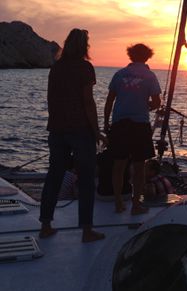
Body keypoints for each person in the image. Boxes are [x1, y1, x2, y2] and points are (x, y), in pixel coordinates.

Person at [39, 29, 106, 242]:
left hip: (57, 130)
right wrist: (97, 131)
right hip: (80, 130)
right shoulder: (85, 68)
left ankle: (46, 225)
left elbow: (51, 98)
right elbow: (88, 101)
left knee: (54, 176)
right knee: (86, 179)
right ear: (84, 46)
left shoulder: (56, 68)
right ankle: (86, 230)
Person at [104, 43, 161, 214]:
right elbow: (157, 102)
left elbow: (109, 100)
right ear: (147, 56)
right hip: (140, 124)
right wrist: (146, 105)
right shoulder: (150, 76)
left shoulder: (119, 74)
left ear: (130, 55)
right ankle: (136, 205)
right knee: (138, 167)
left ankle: (118, 203)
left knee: (118, 165)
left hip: (120, 123)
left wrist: (106, 123)